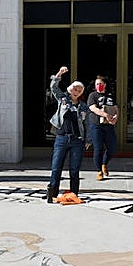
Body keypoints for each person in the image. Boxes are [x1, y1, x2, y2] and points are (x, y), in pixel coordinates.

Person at [47, 67, 89, 202]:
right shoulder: (63, 99)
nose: (76, 92)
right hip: (62, 137)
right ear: (70, 89)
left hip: (77, 140)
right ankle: (52, 192)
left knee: (74, 169)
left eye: (79, 90)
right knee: (56, 166)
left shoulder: (83, 106)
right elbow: (53, 87)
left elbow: (87, 124)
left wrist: (88, 139)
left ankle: (74, 193)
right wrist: (59, 73)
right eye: (75, 89)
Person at [87, 74, 119, 181]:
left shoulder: (110, 95)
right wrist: (106, 115)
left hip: (109, 125)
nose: (98, 86)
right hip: (96, 125)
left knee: (112, 147)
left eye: (100, 84)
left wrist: (115, 117)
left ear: (105, 84)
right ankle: (99, 171)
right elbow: (93, 108)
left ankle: (104, 163)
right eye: (97, 84)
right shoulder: (93, 95)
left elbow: (116, 108)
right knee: (98, 148)